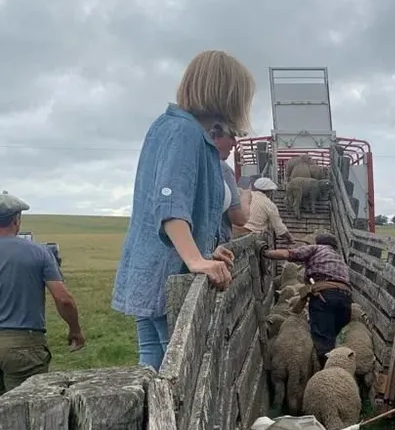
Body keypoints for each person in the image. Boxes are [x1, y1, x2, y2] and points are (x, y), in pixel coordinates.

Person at [111, 50, 254, 371]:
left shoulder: (169, 127)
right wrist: (195, 259)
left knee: (152, 360)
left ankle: (149, 421)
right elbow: (170, 203)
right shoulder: (184, 132)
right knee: (177, 366)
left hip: (150, 268)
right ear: (227, 93)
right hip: (166, 273)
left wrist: (205, 250)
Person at [0, 192, 85, 394]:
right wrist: (75, 329)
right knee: (26, 409)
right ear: (16, 220)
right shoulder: (39, 252)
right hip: (23, 344)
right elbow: (63, 299)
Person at [263, 232, 351, 361]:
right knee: (334, 335)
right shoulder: (339, 257)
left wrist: (266, 253)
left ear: (318, 242)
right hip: (345, 298)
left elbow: (288, 254)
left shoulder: (316, 248)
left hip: (324, 295)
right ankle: (339, 366)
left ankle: (326, 373)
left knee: (322, 339)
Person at [235, 177, 293, 246]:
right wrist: (289, 238)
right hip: (252, 236)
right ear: (269, 192)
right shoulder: (269, 204)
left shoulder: (245, 195)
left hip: (235, 231)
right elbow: (280, 229)